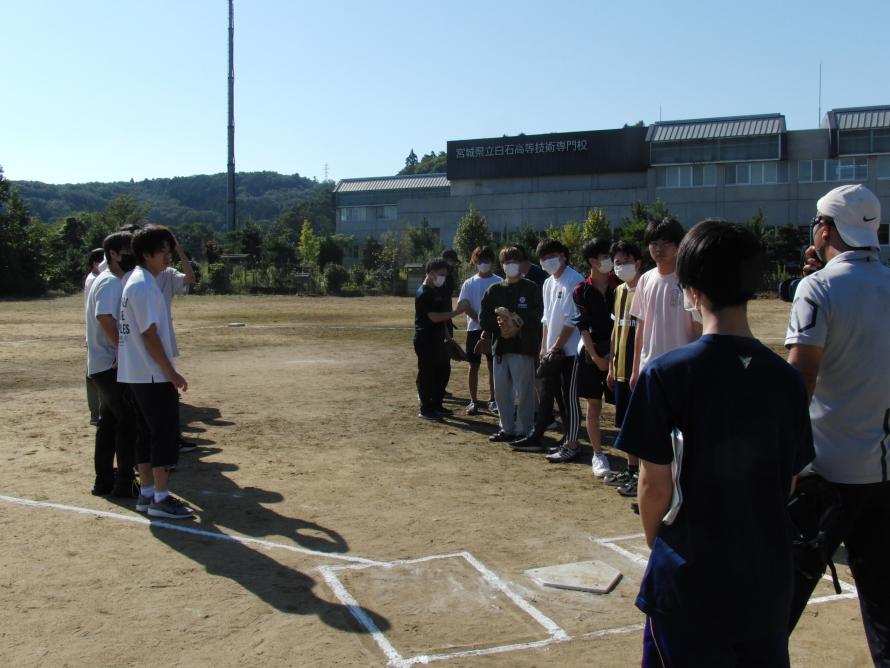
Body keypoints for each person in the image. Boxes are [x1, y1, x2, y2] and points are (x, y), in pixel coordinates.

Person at [616, 219, 814, 668]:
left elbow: (653, 486)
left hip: (690, 579)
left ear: (691, 290)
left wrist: (657, 543)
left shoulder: (665, 375)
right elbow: (789, 483)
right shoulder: (785, 379)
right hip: (765, 577)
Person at [785, 184, 890, 664]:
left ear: (825, 228)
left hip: (825, 471)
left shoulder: (818, 287)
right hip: (882, 471)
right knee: (884, 609)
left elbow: (800, 378)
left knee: (778, 598)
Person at [118, 225, 194, 519]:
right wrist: (171, 373)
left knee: (145, 434)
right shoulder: (145, 285)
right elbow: (149, 334)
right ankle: (161, 499)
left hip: (136, 373)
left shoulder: (136, 280)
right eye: (164, 252)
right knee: (163, 435)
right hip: (151, 374)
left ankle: (147, 494)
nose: (168, 258)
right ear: (147, 254)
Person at [510, 239, 583, 454]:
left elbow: (572, 320)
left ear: (563, 256)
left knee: (568, 399)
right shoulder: (549, 283)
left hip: (569, 352)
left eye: (551, 257)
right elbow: (546, 319)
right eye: (543, 258)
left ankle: (572, 441)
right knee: (548, 395)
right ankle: (537, 435)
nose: (547, 262)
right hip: (552, 352)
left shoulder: (574, 280)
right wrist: (544, 347)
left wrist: (556, 346)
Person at [547, 239, 613, 474]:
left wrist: (613, 356)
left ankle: (633, 462)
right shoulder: (581, 289)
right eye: (605, 257)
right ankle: (596, 454)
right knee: (591, 404)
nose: (610, 261)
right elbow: (582, 326)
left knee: (622, 409)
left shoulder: (620, 286)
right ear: (592, 261)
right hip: (589, 353)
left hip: (616, 353)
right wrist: (595, 356)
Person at [85, 233, 138, 496]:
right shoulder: (110, 282)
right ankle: (124, 483)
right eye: (128, 250)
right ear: (114, 254)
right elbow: (104, 316)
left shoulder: (106, 280)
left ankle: (104, 481)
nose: (133, 254)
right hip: (109, 364)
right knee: (127, 421)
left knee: (109, 423)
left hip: (102, 363)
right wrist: (121, 349)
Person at [479, 246, 543, 442]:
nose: (511, 265)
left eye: (514, 261)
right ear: (501, 265)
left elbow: (539, 314)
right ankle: (506, 428)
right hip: (501, 348)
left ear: (522, 264)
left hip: (523, 348)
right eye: (507, 262)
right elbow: (484, 318)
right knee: (502, 391)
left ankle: (524, 429)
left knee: (524, 390)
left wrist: (517, 321)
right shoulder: (494, 289)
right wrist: (499, 325)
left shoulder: (531, 287)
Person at [148, 227, 198, 456]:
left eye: (168, 251)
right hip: (149, 341)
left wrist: (178, 247)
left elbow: (190, 278)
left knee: (167, 393)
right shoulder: (139, 279)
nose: (167, 256)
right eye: (162, 251)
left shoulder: (168, 274)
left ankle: (172, 439)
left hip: (164, 338)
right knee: (159, 394)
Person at [603, 240, 643, 492]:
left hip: (638, 370)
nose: (621, 267)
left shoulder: (646, 289)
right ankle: (631, 469)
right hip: (619, 369)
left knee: (639, 424)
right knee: (625, 423)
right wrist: (611, 365)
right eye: (617, 263)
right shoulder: (618, 292)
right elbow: (615, 329)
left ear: (638, 263)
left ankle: (642, 473)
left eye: (626, 262)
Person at [414, 257, 465, 420]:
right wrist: (456, 312)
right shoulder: (424, 293)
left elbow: (441, 320)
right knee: (427, 373)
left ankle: (437, 404)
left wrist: (448, 337)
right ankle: (426, 408)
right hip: (425, 339)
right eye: (441, 274)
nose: (443, 277)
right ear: (431, 273)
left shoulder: (436, 290)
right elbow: (434, 317)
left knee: (442, 371)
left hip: (438, 339)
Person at [457, 246, 501, 415]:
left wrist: (489, 325)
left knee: (493, 366)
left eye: (487, 260)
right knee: (473, 366)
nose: (484, 264)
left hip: (494, 331)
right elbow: (465, 306)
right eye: (480, 260)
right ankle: (473, 401)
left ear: (492, 261)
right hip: (474, 330)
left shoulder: (498, 281)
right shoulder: (469, 283)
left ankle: (493, 400)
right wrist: (482, 323)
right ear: (475, 261)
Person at [84, 247, 106, 426]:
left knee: (93, 375)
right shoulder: (95, 280)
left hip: (95, 334)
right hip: (97, 335)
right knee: (94, 376)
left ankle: (96, 413)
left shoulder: (94, 278)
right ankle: (96, 414)